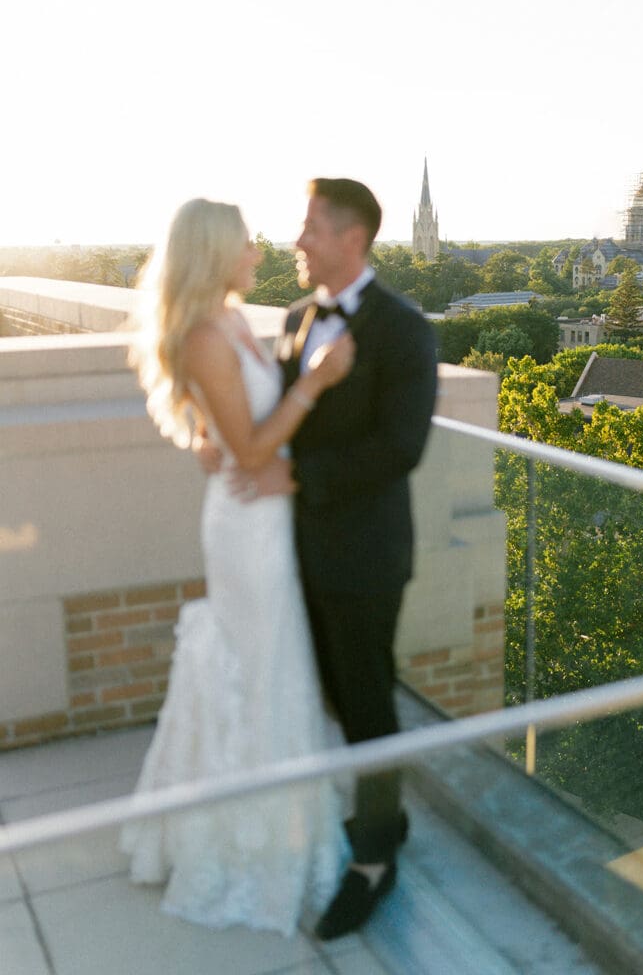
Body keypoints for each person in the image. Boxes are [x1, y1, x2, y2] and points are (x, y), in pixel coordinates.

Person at [119, 197, 355, 936]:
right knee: (261, 671)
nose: (261, 254)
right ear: (217, 252)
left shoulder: (232, 320)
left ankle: (282, 829)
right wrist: (316, 381)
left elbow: (224, 434)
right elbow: (251, 451)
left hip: (271, 516)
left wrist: (215, 439)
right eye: (248, 244)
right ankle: (245, 847)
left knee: (277, 667)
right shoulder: (201, 337)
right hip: (247, 524)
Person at [277, 178, 437, 938]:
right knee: (338, 696)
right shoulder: (292, 318)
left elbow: (402, 447)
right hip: (293, 550)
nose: (296, 241)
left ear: (352, 237)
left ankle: (374, 857)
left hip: (365, 554)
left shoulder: (403, 328)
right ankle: (388, 812)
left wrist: (302, 475)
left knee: (367, 702)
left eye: (309, 227)